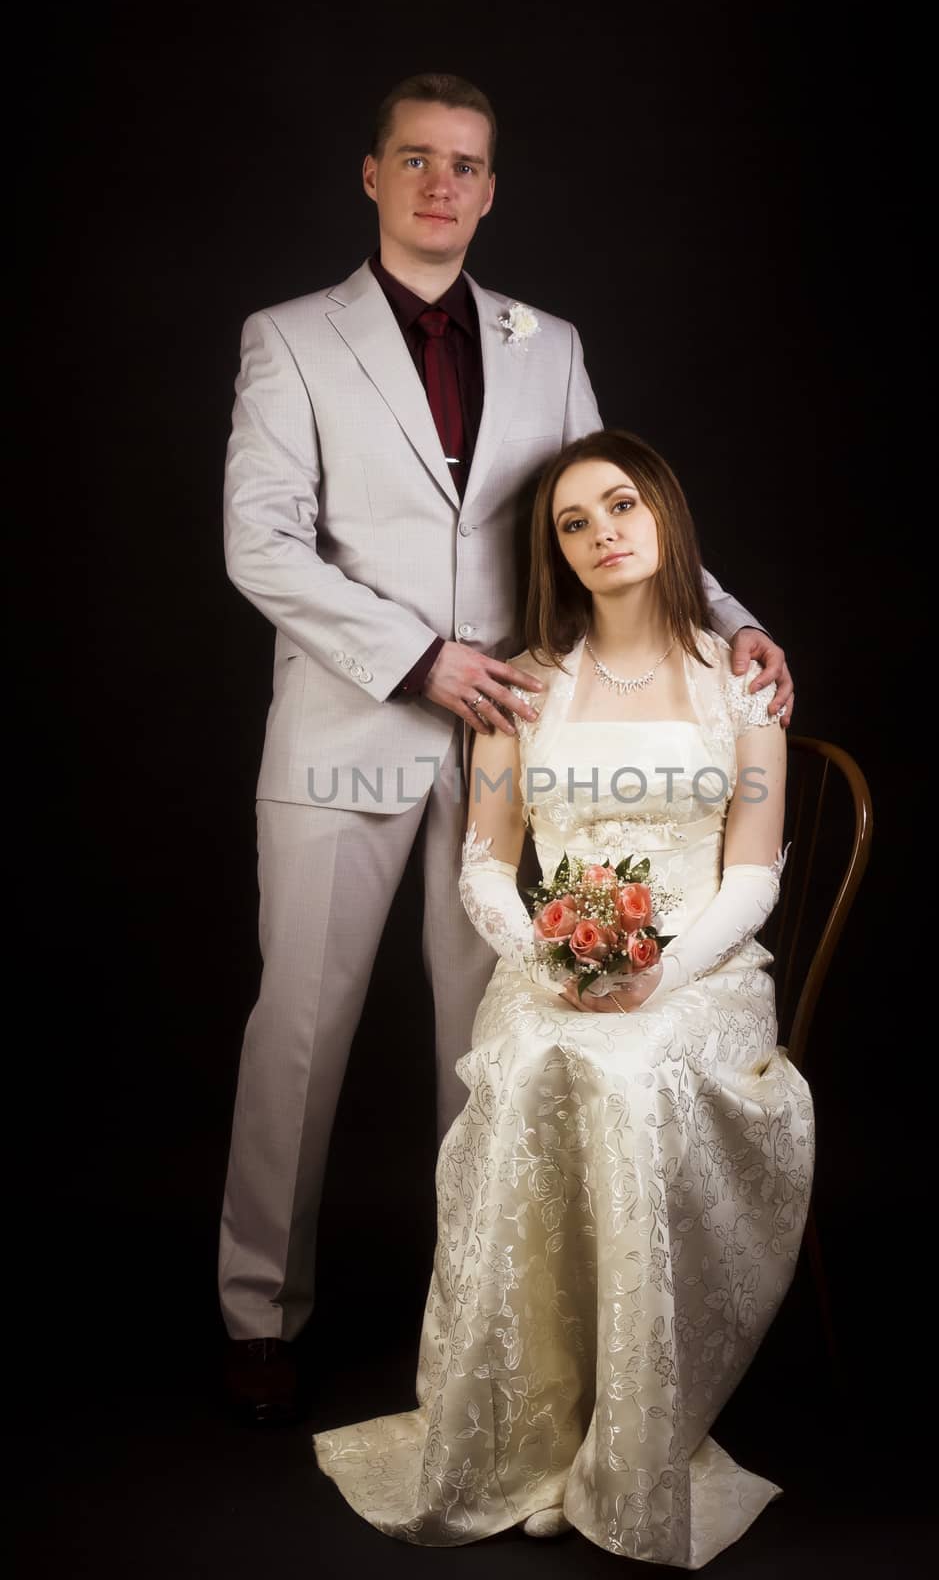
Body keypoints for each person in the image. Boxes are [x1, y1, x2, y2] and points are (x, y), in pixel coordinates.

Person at [219, 72, 795, 1424]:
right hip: (354, 731)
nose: (440, 184)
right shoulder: (289, 336)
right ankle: (257, 1314)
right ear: (371, 176)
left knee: (486, 1036)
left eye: (465, 165)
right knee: (299, 1030)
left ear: (489, 187)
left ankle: (474, 1305)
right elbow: (259, 542)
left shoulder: (548, 341)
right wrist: (421, 661)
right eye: (414, 160)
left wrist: (736, 619)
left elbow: (612, 504)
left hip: (517, 743)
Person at [312, 429, 812, 1569]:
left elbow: (751, 876)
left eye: (620, 505)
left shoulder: (741, 680)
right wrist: (549, 958)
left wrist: (654, 971)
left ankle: (626, 1450)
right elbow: (485, 864)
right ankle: (532, 1432)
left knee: (630, 1069)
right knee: (541, 1058)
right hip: (555, 961)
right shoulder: (525, 685)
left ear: (666, 515)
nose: (600, 535)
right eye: (572, 524)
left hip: (700, 968)